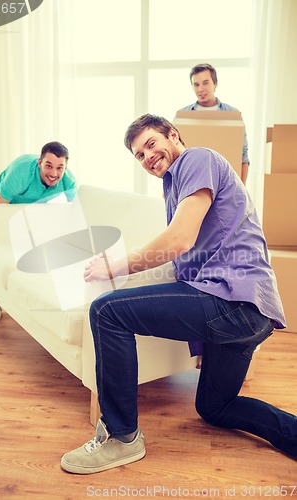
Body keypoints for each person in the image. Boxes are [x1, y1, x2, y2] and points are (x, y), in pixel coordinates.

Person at [60, 114, 297, 475]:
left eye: (151, 144)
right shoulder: (175, 188)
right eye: (139, 156)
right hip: (248, 314)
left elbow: (178, 241)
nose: (148, 157)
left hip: (234, 301)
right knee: (215, 407)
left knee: (107, 312)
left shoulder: (197, 159)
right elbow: (189, 268)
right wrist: (205, 342)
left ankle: (121, 437)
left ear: (173, 135)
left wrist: (115, 266)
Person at [0, 141, 76, 321]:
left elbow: (72, 216)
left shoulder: (69, 181)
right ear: (39, 163)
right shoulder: (21, 173)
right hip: (5, 203)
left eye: (60, 168)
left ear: (65, 167)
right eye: (48, 166)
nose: (54, 173)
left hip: (34, 206)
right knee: (0, 248)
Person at [181, 63, 250, 185]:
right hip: (193, 182)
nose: (201, 89)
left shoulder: (232, 114)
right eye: (196, 85)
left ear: (215, 83)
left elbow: (243, 155)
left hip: (225, 183)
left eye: (205, 83)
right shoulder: (183, 116)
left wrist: (242, 188)